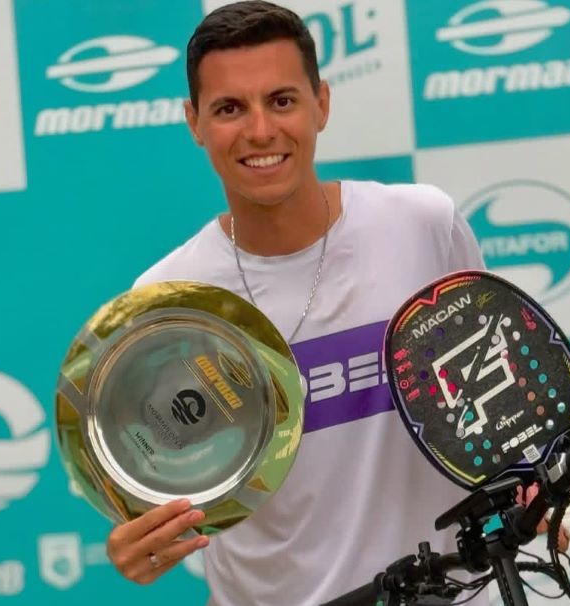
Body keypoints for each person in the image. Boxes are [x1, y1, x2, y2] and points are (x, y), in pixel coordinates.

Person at [107, 2, 490, 604]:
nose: (260, 131)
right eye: (230, 108)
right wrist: (139, 541)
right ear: (194, 122)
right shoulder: (164, 300)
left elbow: (496, 401)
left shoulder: (423, 224)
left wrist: (537, 484)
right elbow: (156, 489)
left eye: (282, 100)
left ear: (322, 104)